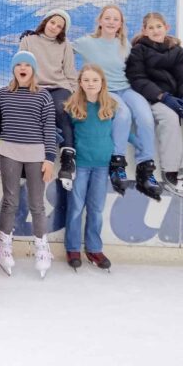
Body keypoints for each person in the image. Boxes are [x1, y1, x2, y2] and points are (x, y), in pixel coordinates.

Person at [0, 51, 57, 278]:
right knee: (10, 201)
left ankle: (42, 248)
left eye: (27, 65)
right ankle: (4, 246)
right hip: (9, 152)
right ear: (13, 70)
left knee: (36, 204)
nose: (23, 68)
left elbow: (49, 128)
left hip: (36, 154)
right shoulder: (4, 93)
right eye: (18, 65)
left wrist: (49, 159)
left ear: (33, 70)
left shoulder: (43, 96)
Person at [74, 5, 161, 201]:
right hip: (107, 90)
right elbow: (62, 47)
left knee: (146, 117)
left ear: (121, 24)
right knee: (123, 114)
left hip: (127, 88)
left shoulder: (125, 44)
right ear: (100, 21)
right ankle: (117, 163)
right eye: (108, 18)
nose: (111, 22)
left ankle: (146, 166)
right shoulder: (87, 42)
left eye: (116, 19)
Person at [125, 12, 183, 197]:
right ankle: (170, 170)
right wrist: (163, 97)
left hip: (178, 98)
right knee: (170, 118)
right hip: (154, 99)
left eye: (159, 26)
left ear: (167, 28)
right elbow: (138, 79)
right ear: (144, 31)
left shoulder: (177, 50)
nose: (155, 30)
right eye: (151, 27)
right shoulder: (138, 51)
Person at [63, 65, 118, 270]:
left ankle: (94, 248)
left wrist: (139, 143)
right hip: (81, 165)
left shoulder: (111, 105)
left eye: (94, 80)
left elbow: (120, 133)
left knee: (96, 209)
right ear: (80, 83)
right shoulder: (72, 106)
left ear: (102, 82)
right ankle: (73, 248)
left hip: (102, 166)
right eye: (86, 80)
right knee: (76, 208)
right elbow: (64, 134)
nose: (90, 84)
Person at [19, 9, 79, 188]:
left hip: (58, 87)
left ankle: (68, 157)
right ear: (46, 21)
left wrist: (75, 96)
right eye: (53, 23)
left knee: (60, 109)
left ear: (63, 30)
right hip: (34, 87)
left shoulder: (65, 45)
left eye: (60, 26)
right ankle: (30, 159)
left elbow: (70, 73)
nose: (55, 28)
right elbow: (21, 67)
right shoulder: (28, 40)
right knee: (32, 112)